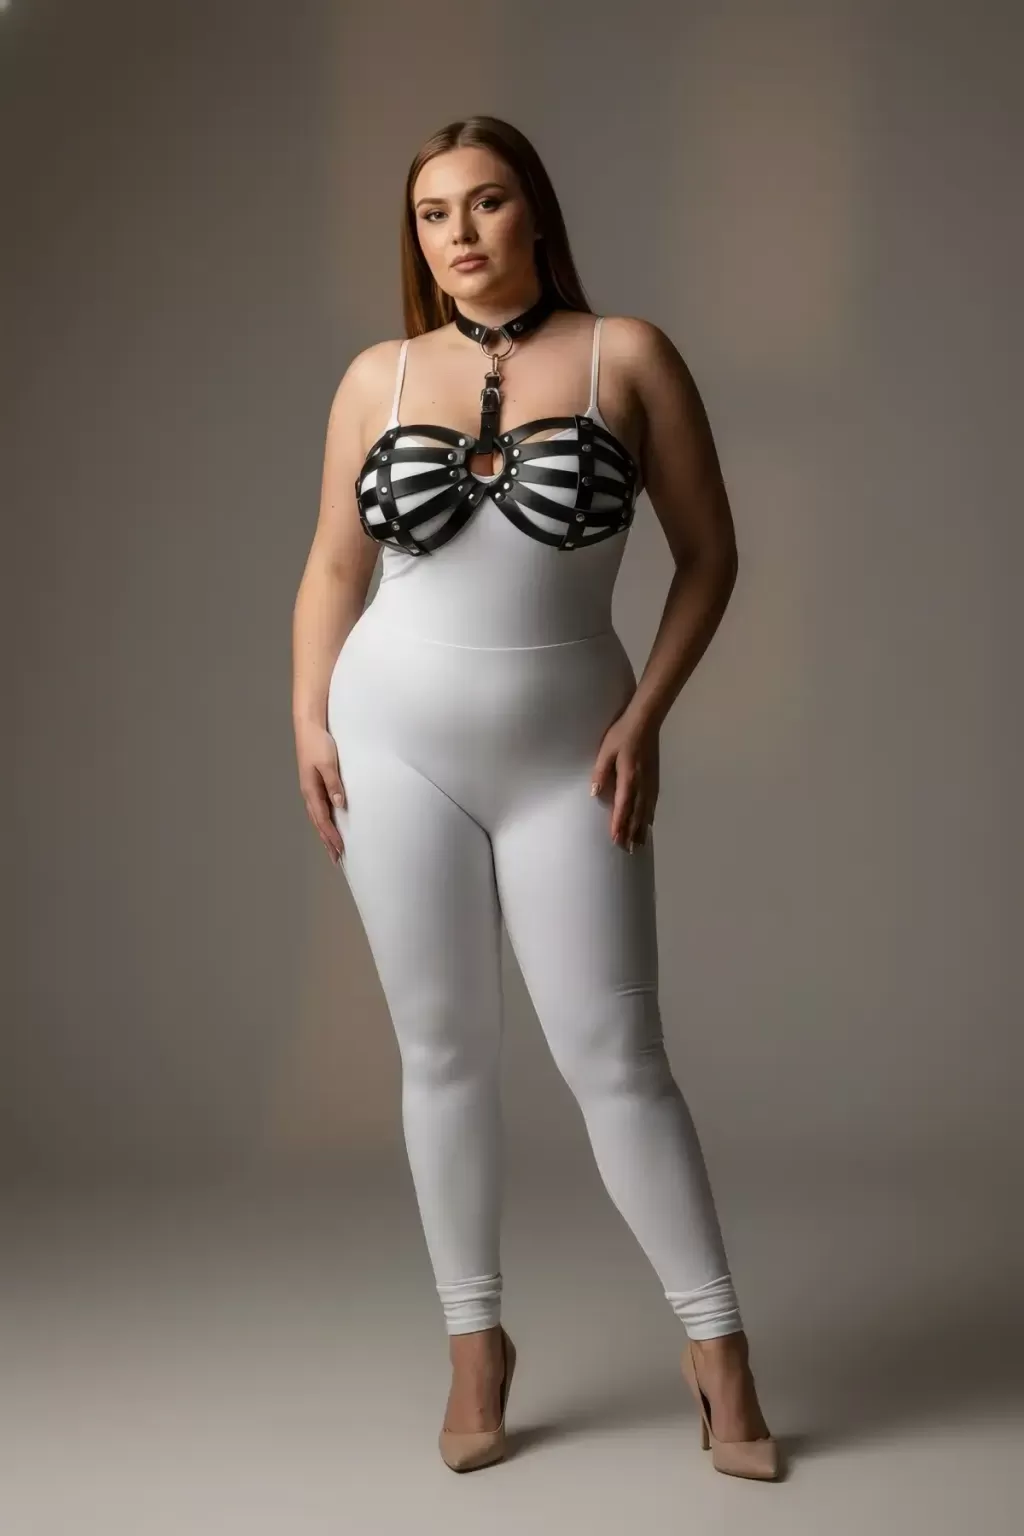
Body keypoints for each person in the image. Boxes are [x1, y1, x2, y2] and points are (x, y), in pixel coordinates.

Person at [291, 115, 780, 1481]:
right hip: (389, 744)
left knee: (618, 1058)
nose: (459, 233)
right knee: (441, 1051)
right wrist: (305, 718)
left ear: (536, 213)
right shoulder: (377, 376)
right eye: (433, 211)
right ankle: (474, 1343)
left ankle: (719, 1349)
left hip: (574, 753)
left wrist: (646, 715)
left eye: (487, 202)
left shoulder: (630, 354)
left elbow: (710, 555)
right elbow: (333, 566)